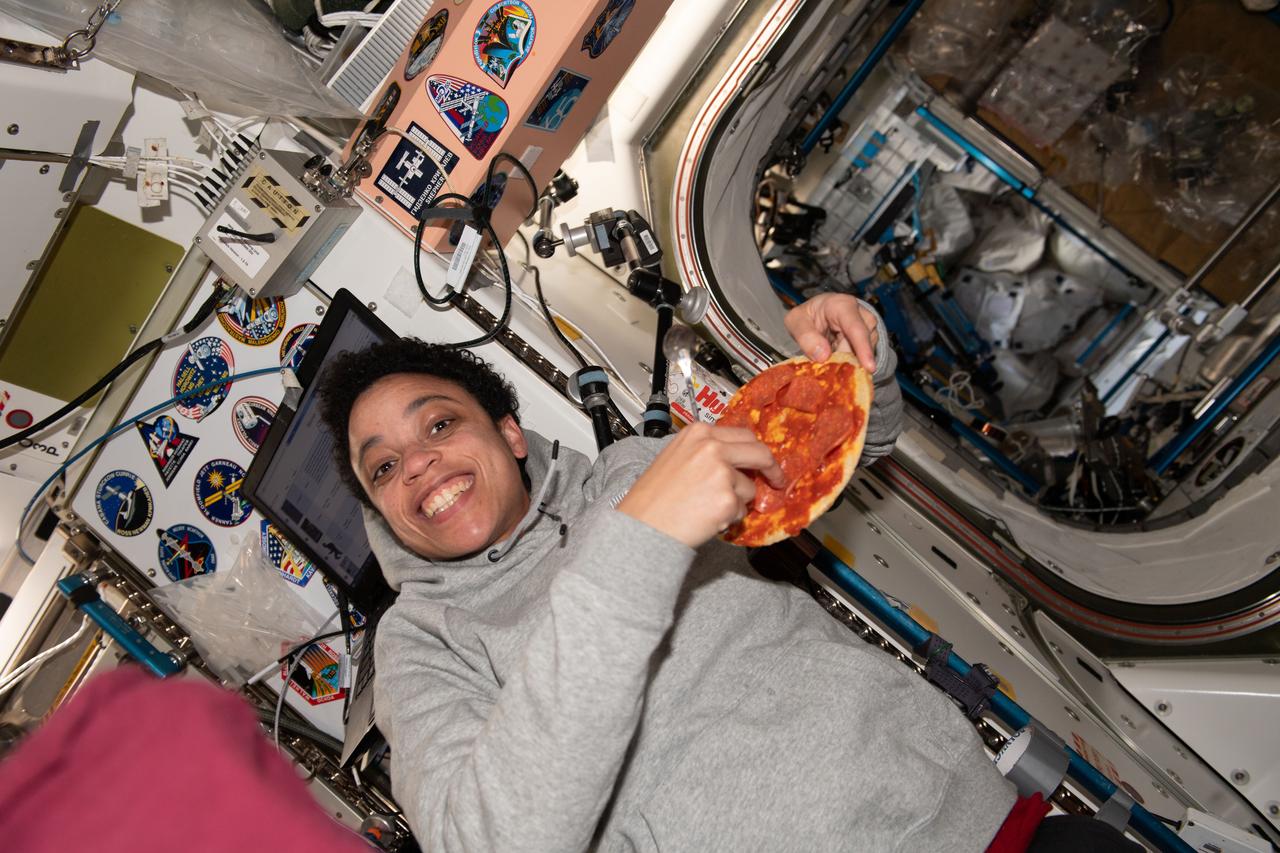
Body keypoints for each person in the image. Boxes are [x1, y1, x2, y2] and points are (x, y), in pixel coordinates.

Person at [314, 294, 1099, 851]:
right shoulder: (420, 647)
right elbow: (488, 841)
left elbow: (834, 453)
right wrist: (633, 551)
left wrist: (856, 366)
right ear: (382, 509)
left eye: (440, 424)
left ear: (511, 432)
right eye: (382, 468)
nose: (417, 464)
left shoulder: (633, 472)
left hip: (982, 821)